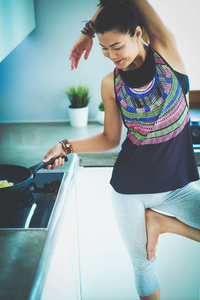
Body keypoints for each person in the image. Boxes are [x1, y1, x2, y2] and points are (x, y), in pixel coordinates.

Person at [43, 0, 200, 298]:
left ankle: (162, 222)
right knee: (143, 268)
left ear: (138, 32)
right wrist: (65, 145)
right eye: (103, 48)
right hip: (129, 190)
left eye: (116, 46)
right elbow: (110, 139)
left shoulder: (165, 53)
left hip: (175, 188)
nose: (110, 55)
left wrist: (87, 31)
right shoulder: (110, 83)